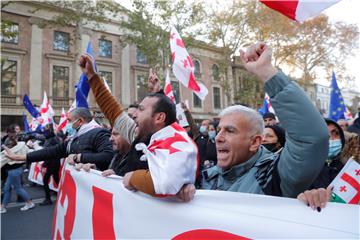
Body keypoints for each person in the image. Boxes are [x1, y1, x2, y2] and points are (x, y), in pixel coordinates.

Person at [178, 42, 328, 199]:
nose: (218, 137)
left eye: (230, 131)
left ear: (255, 142)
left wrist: (266, 72)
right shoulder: (205, 177)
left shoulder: (273, 177)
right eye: (218, 130)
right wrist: (182, 191)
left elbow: (311, 138)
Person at [80, 55, 198, 196]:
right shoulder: (140, 134)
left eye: (141, 110)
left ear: (159, 117)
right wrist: (92, 77)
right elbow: (114, 112)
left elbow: (166, 182)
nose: (134, 114)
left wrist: (133, 178)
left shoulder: (178, 143)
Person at [4, 108, 113, 171]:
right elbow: (52, 152)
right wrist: (20, 157)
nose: (67, 124)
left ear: (80, 121)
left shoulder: (100, 133)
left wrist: (78, 157)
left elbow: (108, 156)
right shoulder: (74, 138)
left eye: (69, 121)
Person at [1, 125, 35, 213]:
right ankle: (3, 206)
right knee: (7, 188)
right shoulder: (19, 142)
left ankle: (30, 202)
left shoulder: (10, 142)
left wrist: (4, 147)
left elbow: (9, 154)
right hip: (16, 169)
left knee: (17, 188)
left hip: (14, 170)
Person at [309, 118, 345, 189]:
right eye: (324, 134)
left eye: (335, 133)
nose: (331, 139)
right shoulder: (304, 171)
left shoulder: (346, 168)